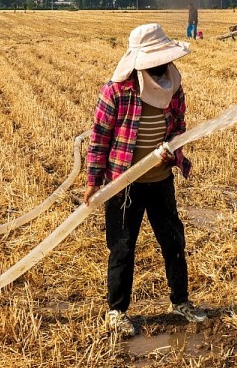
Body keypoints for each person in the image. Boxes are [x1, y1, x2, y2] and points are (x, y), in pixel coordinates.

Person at [84, 23, 206, 337]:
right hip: (123, 185)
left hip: (161, 180)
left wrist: (173, 152)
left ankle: (180, 302)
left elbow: (179, 127)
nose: (162, 64)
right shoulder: (117, 91)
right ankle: (117, 312)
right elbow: (99, 138)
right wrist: (93, 181)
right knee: (122, 248)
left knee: (174, 241)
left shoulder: (174, 87)